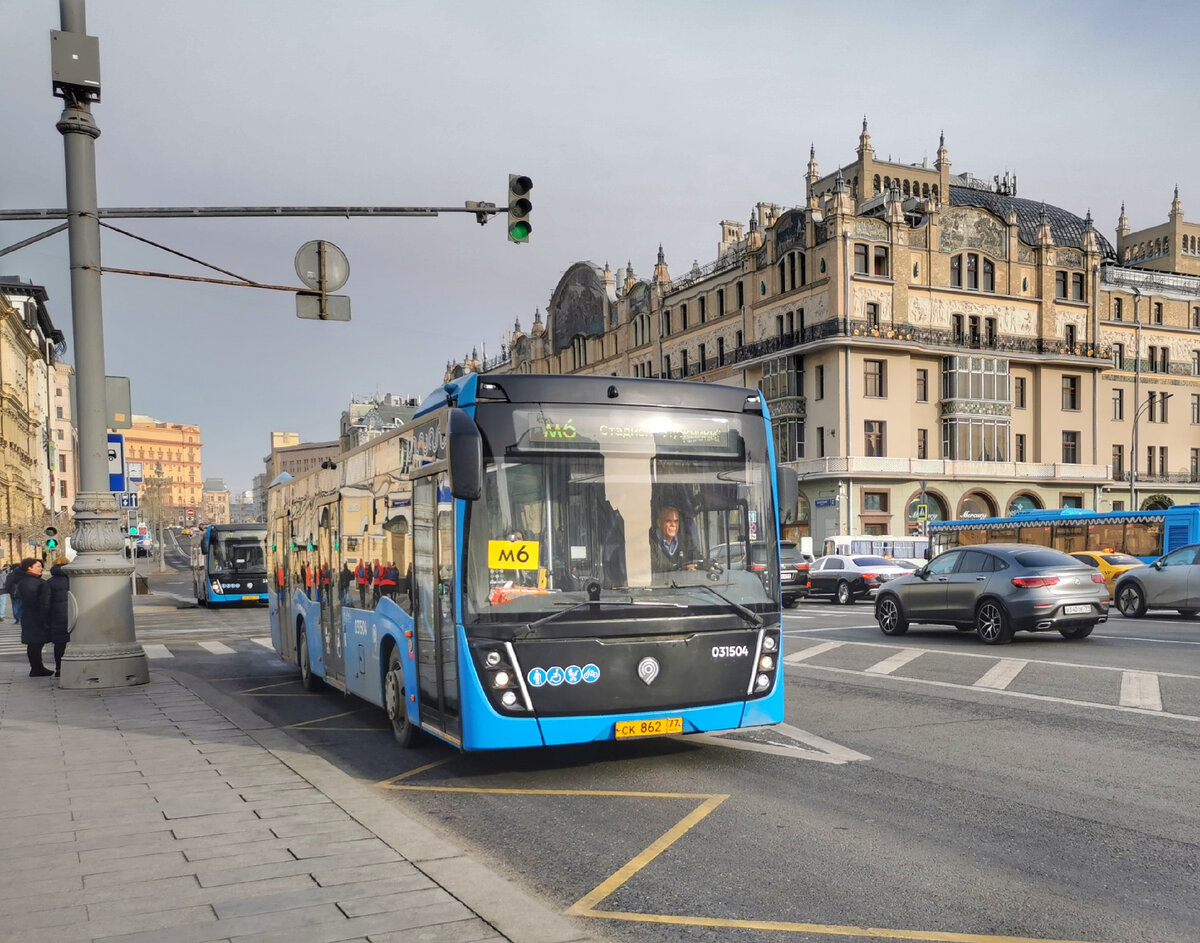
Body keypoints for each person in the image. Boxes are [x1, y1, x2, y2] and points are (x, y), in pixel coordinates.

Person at [16, 558, 53, 677]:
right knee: (36, 644)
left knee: (33, 643)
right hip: (37, 616)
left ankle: (36, 667)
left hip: (28, 615)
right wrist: (46, 618)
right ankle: (37, 668)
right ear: (29, 567)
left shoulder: (23, 581)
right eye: (38, 566)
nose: (41, 568)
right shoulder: (39, 583)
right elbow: (44, 603)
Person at [649, 506, 698, 573]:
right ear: (659, 523)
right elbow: (654, 566)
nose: (673, 525)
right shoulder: (650, 542)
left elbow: (697, 558)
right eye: (668, 521)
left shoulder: (686, 541)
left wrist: (708, 566)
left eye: (676, 521)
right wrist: (680, 568)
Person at [46, 557, 71, 677]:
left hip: (57, 616)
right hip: (73, 614)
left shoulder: (50, 581)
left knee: (60, 644)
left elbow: (47, 601)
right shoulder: (73, 579)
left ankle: (59, 668)